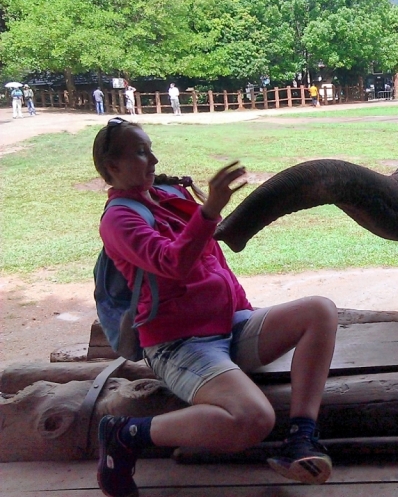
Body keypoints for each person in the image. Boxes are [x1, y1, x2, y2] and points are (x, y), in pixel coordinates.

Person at [91, 117, 338, 497]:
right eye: (141, 152)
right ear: (112, 167)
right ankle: (124, 432)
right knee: (252, 419)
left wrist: (248, 314)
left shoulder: (166, 196)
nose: (153, 159)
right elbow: (173, 262)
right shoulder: (119, 220)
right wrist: (209, 210)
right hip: (179, 344)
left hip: (228, 325)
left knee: (319, 310)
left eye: (151, 148)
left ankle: (301, 438)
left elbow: (214, 262)